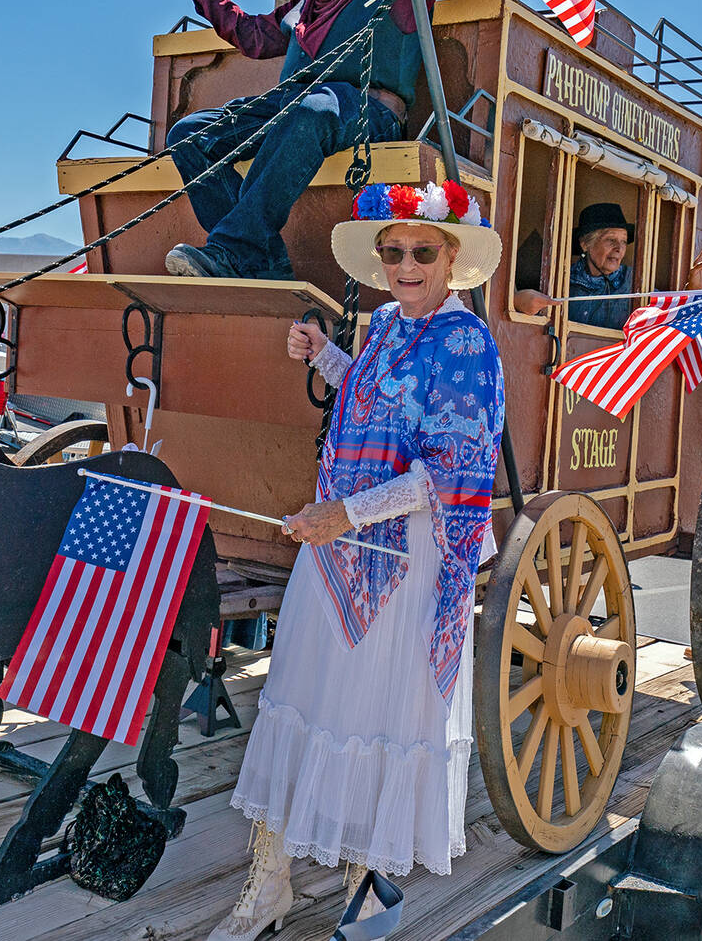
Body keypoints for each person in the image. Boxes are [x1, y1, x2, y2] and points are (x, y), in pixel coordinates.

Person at [208, 180, 504, 939]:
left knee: (375, 715)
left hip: (405, 557)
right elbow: (378, 402)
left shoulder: (466, 343)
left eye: (421, 251)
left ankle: (366, 891)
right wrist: (329, 356)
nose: (406, 264)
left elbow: (454, 469)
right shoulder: (383, 326)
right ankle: (269, 882)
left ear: (451, 258)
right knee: (304, 695)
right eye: (394, 252)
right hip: (338, 543)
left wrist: (346, 513)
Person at [161, 0, 495, 281]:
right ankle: (261, 257)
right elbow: (253, 36)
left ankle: (235, 250)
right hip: (294, 106)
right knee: (189, 136)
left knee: (311, 110)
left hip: (367, 110)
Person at [514, 201, 702, 329]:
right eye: (610, 240)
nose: (619, 249)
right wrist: (518, 302)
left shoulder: (635, 284)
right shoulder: (559, 281)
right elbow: (524, 310)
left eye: (624, 242)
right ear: (585, 244)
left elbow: (670, 317)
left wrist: (693, 288)